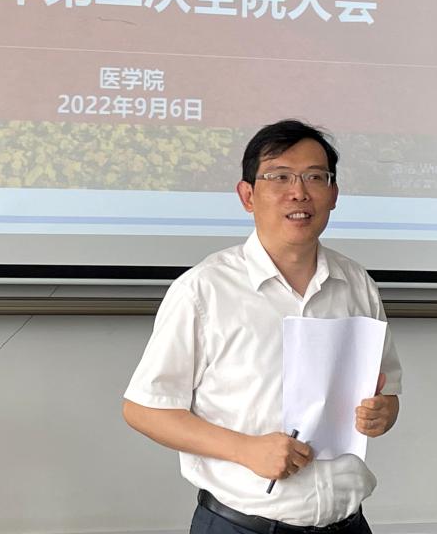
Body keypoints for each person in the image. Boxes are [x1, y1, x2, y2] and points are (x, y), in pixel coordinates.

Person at [123, 119, 402, 534]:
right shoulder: (204, 289)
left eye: (315, 177)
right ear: (247, 195)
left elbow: (387, 393)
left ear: (334, 194)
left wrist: (383, 414)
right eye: (280, 177)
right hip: (242, 526)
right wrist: (245, 450)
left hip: (348, 524)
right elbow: (144, 408)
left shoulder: (356, 283)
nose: (299, 192)